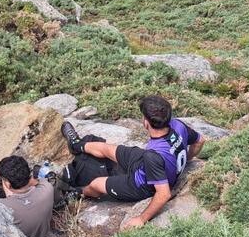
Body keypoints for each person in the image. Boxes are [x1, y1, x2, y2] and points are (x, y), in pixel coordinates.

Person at [60, 96, 205, 229]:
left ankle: (77, 193)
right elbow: (200, 141)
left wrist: (142, 219)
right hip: (145, 161)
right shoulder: (177, 125)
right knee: (108, 149)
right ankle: (76, 144)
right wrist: (187, 158)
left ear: (146, 122)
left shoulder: (153, 155)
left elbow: (164, 194)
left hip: (140, 184)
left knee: (96, 184)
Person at [0, 155, 55, 237]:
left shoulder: (3, 207)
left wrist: (4, 180)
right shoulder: (47, 189)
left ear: (8, 184)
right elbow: (36, 181)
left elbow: (9, 195)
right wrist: (5, 178)